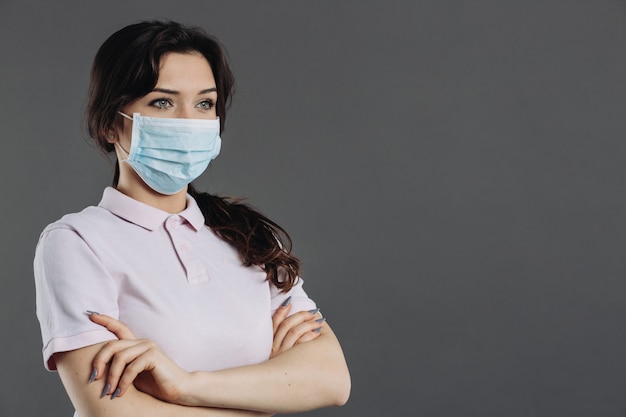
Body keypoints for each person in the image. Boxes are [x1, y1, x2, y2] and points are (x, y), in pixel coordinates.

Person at [34, 20, 350, 417]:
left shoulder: (248, 235)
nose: (188, 121)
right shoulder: (76, 242)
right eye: (162, 102)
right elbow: (112, 412)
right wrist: (267, 394)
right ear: (110, 124)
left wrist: (183, 386)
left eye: (204, 104)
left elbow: (332, 380)